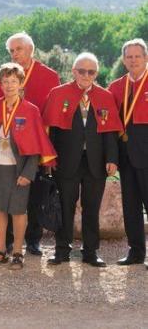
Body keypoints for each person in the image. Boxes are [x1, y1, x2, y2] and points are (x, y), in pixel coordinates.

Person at [0, 63, 56, 270]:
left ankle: (18, 251)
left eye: (14, 81)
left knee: (18, 211)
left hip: (20, 171)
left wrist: (28, 173)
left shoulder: (31, 110)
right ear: (0, 84)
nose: (9, 85)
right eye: (5, 81)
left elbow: (36, 145)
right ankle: (0, 251)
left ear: (21, 84)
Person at [44, 52, 121, 267]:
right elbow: (51, 131)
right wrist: (50, 160)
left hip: (96, 162)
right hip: (66, 161)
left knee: (91, 207)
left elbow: (111, 132)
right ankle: (62, 250)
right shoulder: (58, 93)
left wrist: (112, 158)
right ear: (73, 71)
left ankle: (90, 252)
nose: (86, 75)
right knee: (65, 206)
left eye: (91, 71)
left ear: (96, 73)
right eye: (82, 71)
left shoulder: (105, 96)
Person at [0, 32, 60, 256]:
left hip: (35, 146)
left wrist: (46, 153)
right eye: (11, 50)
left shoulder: (49, 76)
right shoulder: (4, 74)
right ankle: (9, 241)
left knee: (35, 195)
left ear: (30, 49)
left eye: (18, 49)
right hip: (8, 149)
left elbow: (51, 115)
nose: (15, 54)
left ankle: (33, 239)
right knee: (10, 195)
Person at [108, 38, 148, 266]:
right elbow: (110, 126)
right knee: (130, 206)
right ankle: (135, 252)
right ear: (124, 60)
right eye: (129, 57)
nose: (133, 60)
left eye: (137, 56)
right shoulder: (115, 87)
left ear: (146, 58)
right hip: (126, 156)